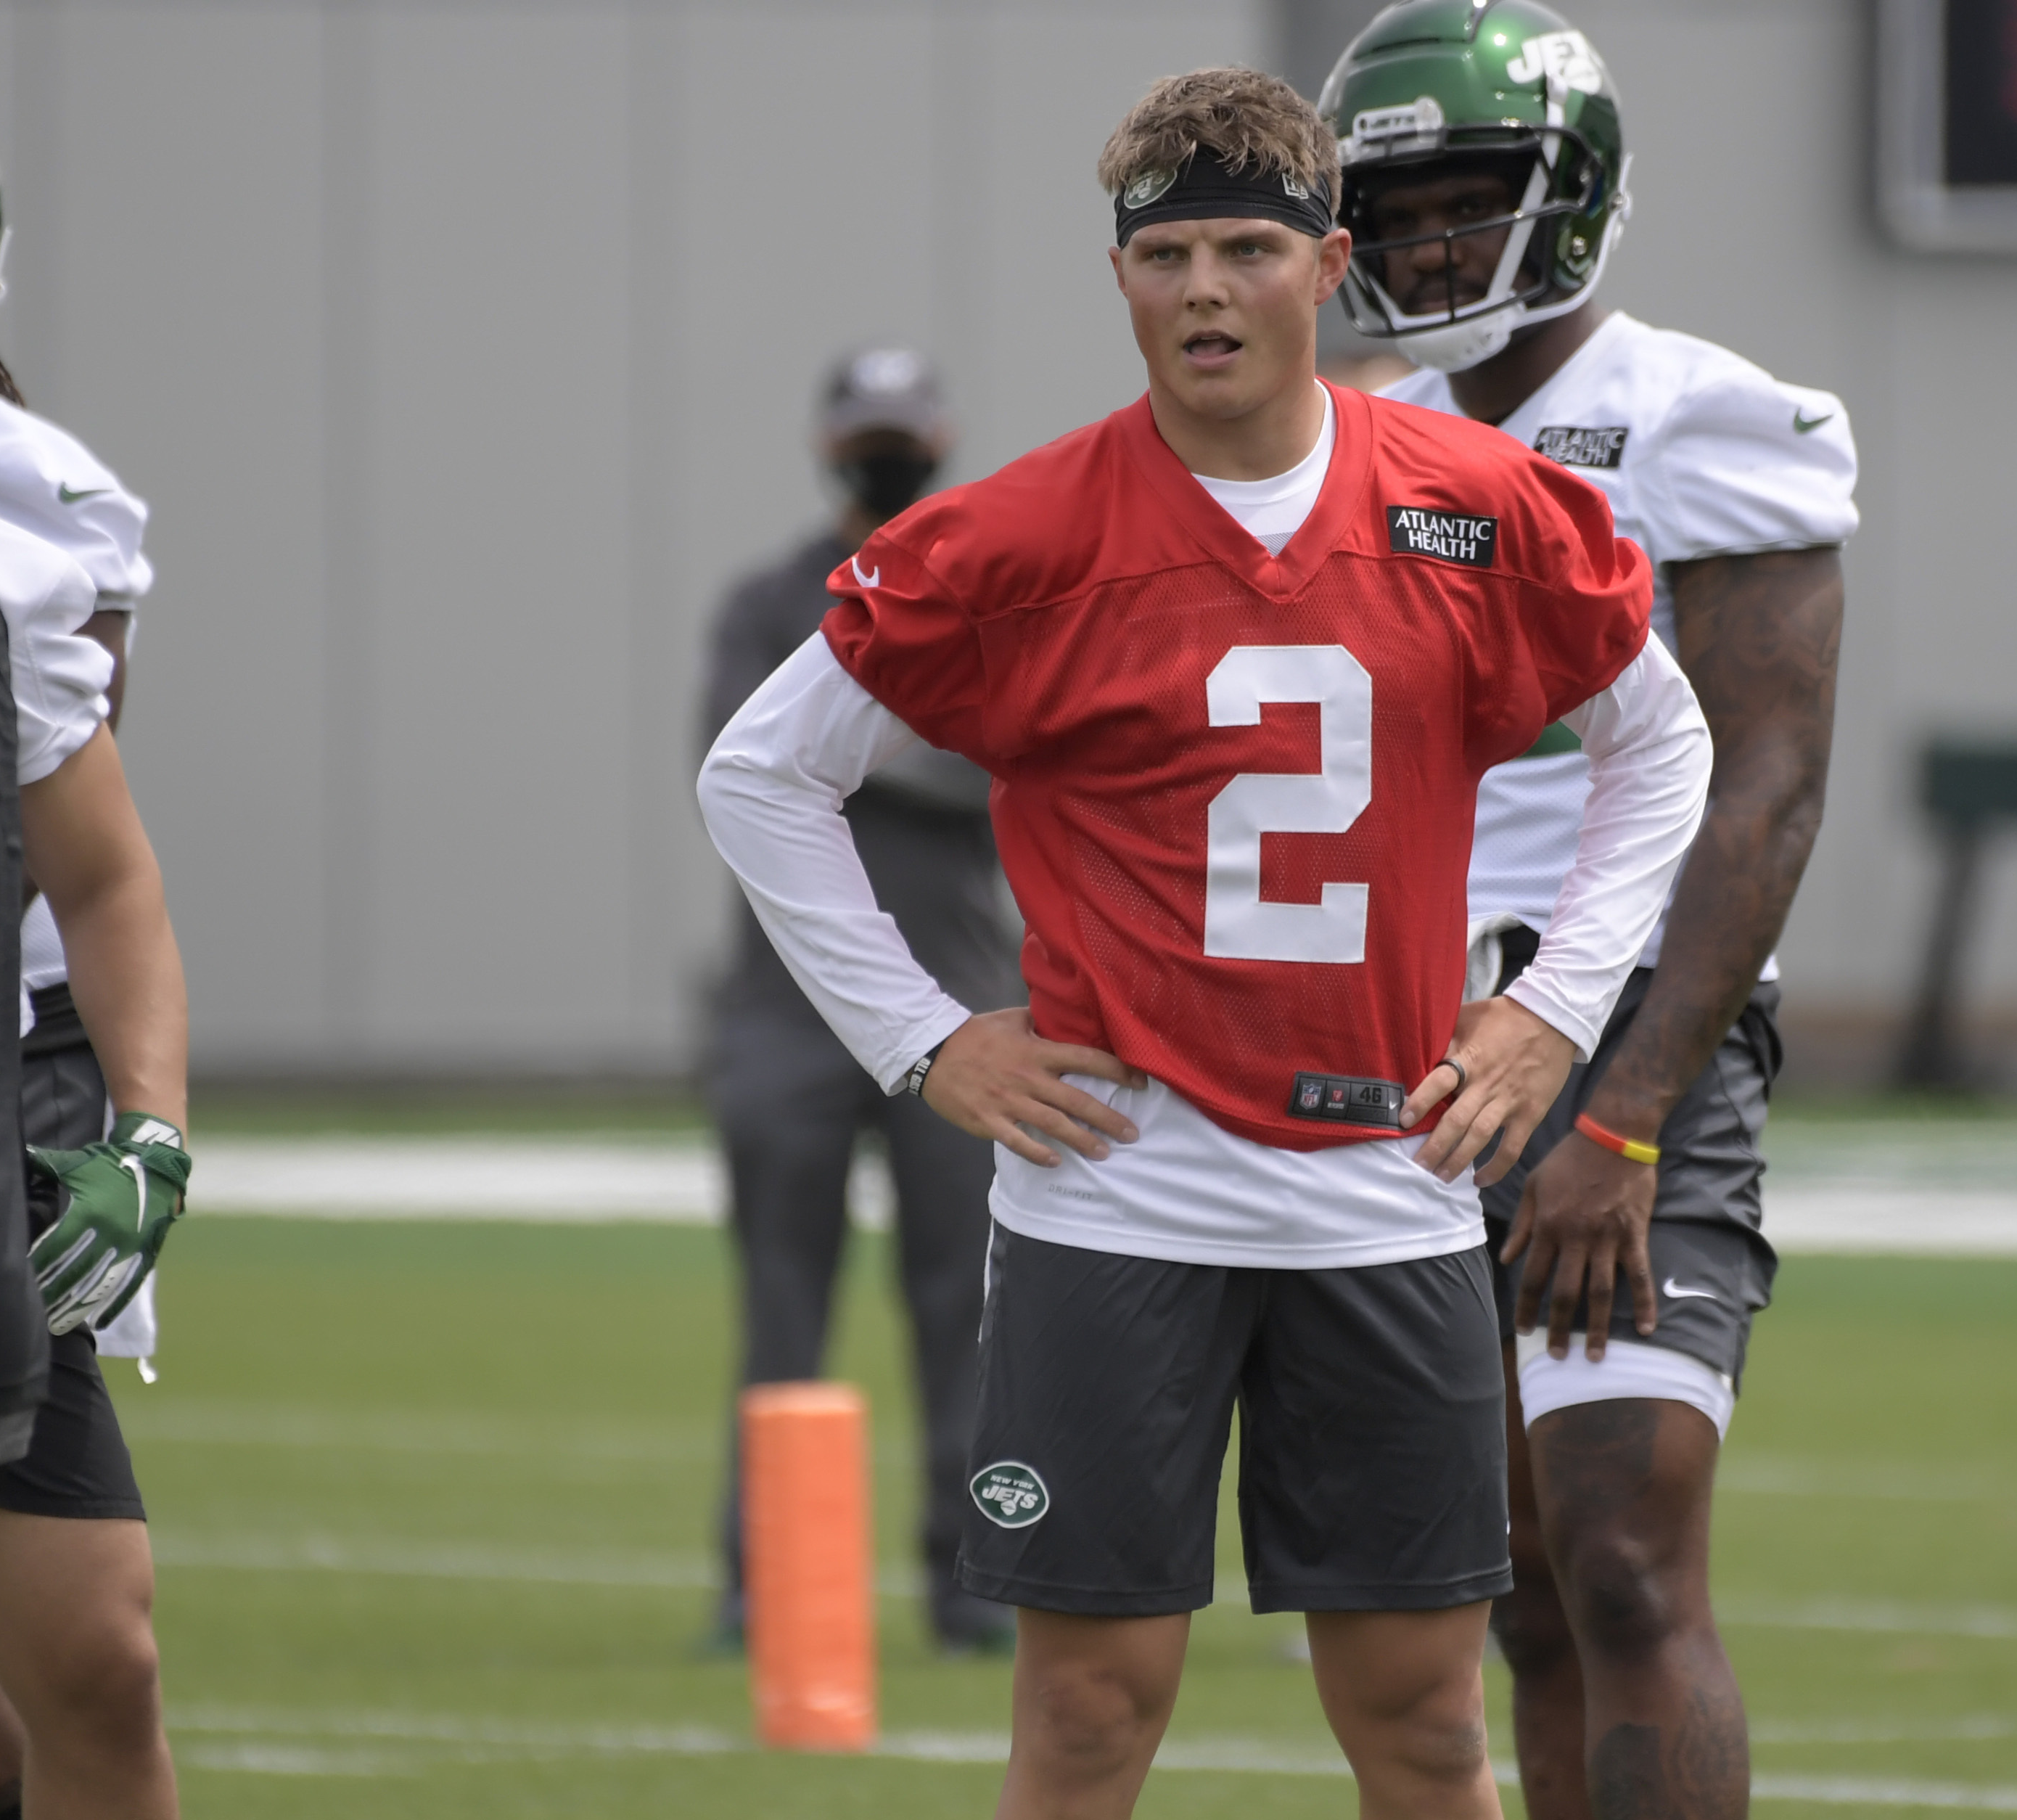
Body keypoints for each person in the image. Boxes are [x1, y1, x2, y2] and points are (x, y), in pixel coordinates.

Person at [700, 65, 1713, 1820]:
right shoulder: (1012, 536)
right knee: (1088, 1714)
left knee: (1419, 1722)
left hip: (1383, 1177)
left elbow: (1664, 742)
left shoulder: (1477, 505)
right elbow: (763, 776)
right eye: (1166, 254)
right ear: (1122, 281)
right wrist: (931, 1042)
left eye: (1247, 247)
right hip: (1123, 1186)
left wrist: (1552, 1010)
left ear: (1329, 268)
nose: (1204, 290)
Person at [1320, 7, 1855, 1814]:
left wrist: (1618, 1115)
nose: (1424, 250)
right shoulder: (1355, 438)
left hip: (1619, 1040)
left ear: (1570, 201)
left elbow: (1763, 790)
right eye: (1391, 215)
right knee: (1517, 1591)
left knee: (1624, 1559)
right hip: (1401, 1056)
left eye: (1465, 203)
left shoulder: (1705, 417)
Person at [700, 345, 1019, 1655]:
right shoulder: (768, 597)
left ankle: (971, 1576)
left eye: (905, 431)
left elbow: (1011, 770)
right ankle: (761, 1585)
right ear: (831, 444)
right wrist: (904, 744)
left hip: (968, 1009)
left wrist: (834, 750)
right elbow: (736, 771)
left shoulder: (997, 591)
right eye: (870, 434)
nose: (888, 454)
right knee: (782, 1302)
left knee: (973, 1305)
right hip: (787, 1015)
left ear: (940, 437)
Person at [0, 132, 193, 1820]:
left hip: (3, 1087)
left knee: (93, 1663)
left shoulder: (30, 511)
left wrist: (147, 1131)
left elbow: (98, 870)